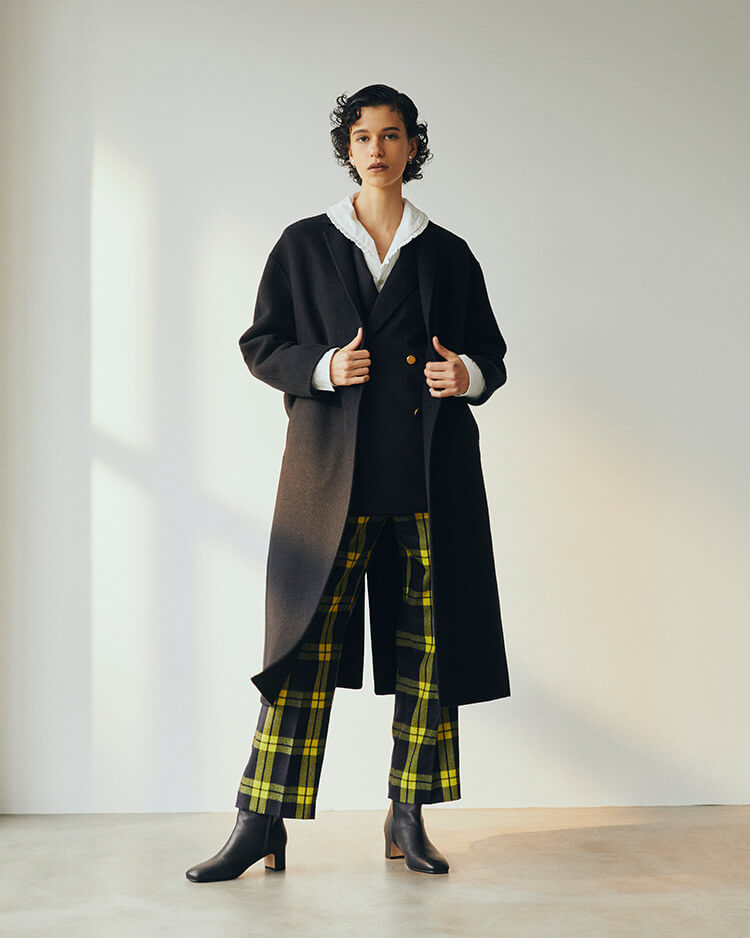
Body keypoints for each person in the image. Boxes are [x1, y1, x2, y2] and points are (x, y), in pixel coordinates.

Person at [186, 83, 510, 882]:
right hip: (329, 483)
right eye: (363, 136)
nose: (377, 148)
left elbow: (491, 355)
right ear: (348, 148)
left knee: (429, 657)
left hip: (430, 484)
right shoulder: (304, 244)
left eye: (392, 135)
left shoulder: (448, 252)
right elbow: (262, 344)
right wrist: (325, 367)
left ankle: (408, 816)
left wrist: (465, 375)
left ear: (412, 147)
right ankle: (260, 821)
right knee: (300, 653)